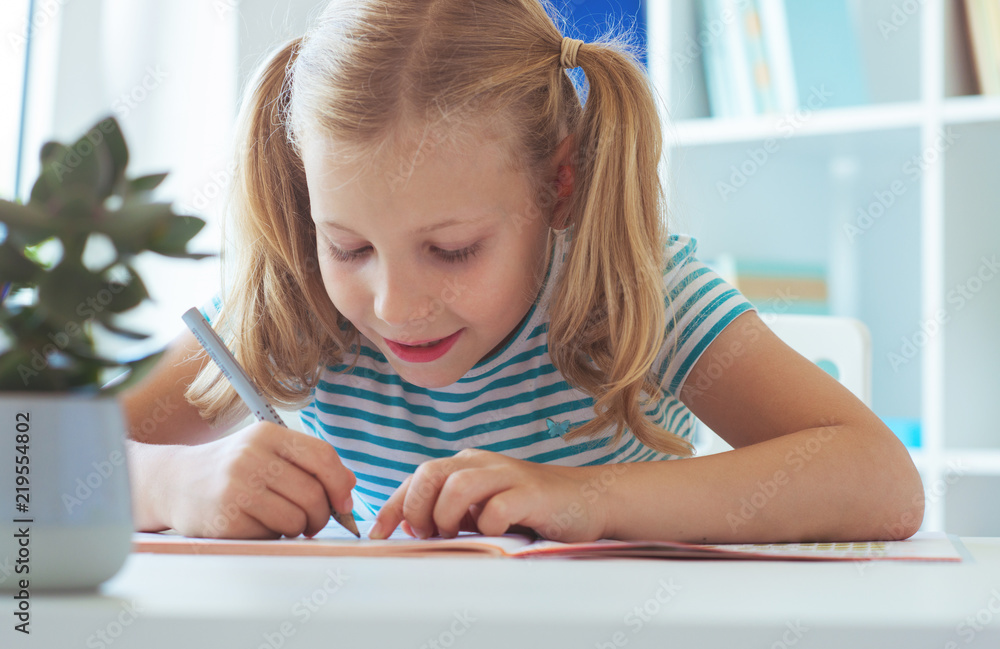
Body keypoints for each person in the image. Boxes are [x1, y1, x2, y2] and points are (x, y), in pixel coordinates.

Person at [122, 0, 924, 544]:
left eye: (453, 249)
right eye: (350, 247)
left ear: (559, 184)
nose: (393, 305)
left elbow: (882, 480)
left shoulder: (626, 289)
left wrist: (584, 497)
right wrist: (168, 482)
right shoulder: (295, 302)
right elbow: (33, 459)